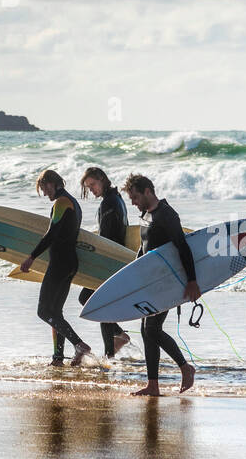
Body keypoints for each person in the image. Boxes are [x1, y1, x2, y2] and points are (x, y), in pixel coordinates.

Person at [123, 173, 200, 397]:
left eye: (135, 196)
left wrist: (192, 281)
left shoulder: (166, 214)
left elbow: (182, 247)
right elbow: (144, 249)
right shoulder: (146, 215)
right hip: (150, 281)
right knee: (146, 331)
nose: (133, 202)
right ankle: (153, 385)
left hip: (167, 282)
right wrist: (132, 273)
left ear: (148, 191)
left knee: (152, 329)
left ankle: (186, 367)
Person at [20, 169, 91, 368]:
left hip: (60, 264)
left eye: (44, 188)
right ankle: (58, 358)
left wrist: (31, 258)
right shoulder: (74, 203)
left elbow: (51, 234)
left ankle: (79, 344)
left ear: (52, 183)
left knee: (43, 311)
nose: (44, 193)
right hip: (69, 263)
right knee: (55, 312)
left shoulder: (61, 203)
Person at [78, 167, 131, 359]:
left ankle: (111, 352)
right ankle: (114, 345)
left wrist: (96, 260)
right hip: (114, 260)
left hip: (108, 261)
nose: (91, 190)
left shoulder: (109, 202)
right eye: (88, 187)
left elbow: (108, 237)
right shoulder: (116, 199)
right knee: (98, 304)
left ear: (102, 179)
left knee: (95, 303)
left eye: (92, 185)